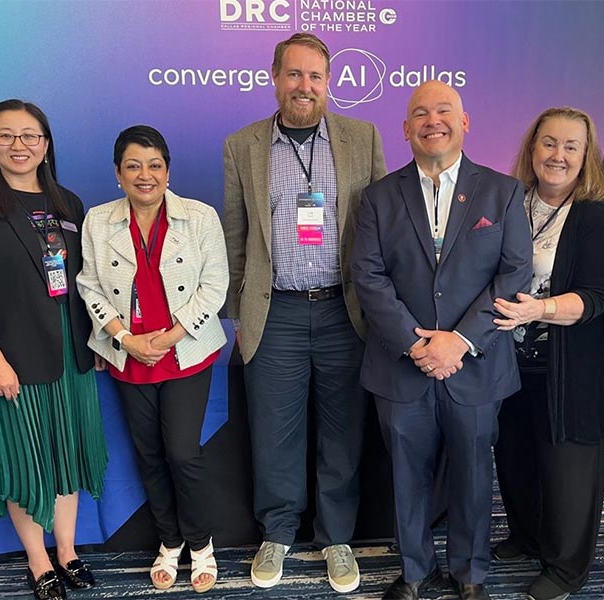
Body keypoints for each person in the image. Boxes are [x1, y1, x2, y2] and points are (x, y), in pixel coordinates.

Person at [352, 80, 532, 600]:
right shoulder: (380, 196)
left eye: (444, 110)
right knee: (406, 474)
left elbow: (514, 272)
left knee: (475, 473)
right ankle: (414, 570)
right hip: (400, 365)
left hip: (474, 364)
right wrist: (416, 343)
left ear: (465, 121)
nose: (434, 120)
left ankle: (470, 572)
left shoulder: (502, 191)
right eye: (421, 113)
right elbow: (368, 276)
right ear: (405, 129)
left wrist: (458, 341)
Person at [222, 32, 386, 593]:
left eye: (316, 76)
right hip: (277, 313)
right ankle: (278, 532)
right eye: (294, 75)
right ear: (274, 78)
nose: (305, 86)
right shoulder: (242, 145)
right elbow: (235, 237)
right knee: (273, 431)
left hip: (347, 311)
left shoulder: (362, 137)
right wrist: (235, 311)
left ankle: (337, 537)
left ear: (328, 83)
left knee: (343, 430)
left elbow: (381, 229)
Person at [0, 99, 107, 600]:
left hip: (70, 355)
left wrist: (97, 341)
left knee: (68, 457)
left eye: (30, 135)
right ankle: (38, 561)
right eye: (7, 136)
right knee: (26, 462)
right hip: (13, 359)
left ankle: (68, 551)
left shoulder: (69, 204)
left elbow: (85, 282)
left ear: (46, 143)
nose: (20, 145)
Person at [76, 125, 228, 593]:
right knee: (150, 455)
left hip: (185, 352)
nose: (146, 175)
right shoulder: (99, 221)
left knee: (183, 453)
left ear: (168, 170)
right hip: (130, 355)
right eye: (134, 166)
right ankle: (169, 543)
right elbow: (88, 286)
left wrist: (173, 334)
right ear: (118, 174)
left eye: (155, 165)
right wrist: (124, 339)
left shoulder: (199, 217)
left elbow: (215, 286)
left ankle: (200, 545)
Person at [490, 107, 604, 600]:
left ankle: (568, 568)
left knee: (568, 468)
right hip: (509, 362)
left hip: (571, 366)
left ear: (586, 156)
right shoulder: (510, 200)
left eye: (571, 146)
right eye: (549, 143)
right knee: (516, 455)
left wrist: (538, 310)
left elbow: (597, 295)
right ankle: (527, 537)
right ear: (532, 148)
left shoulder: (596, 214)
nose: (559, 155)